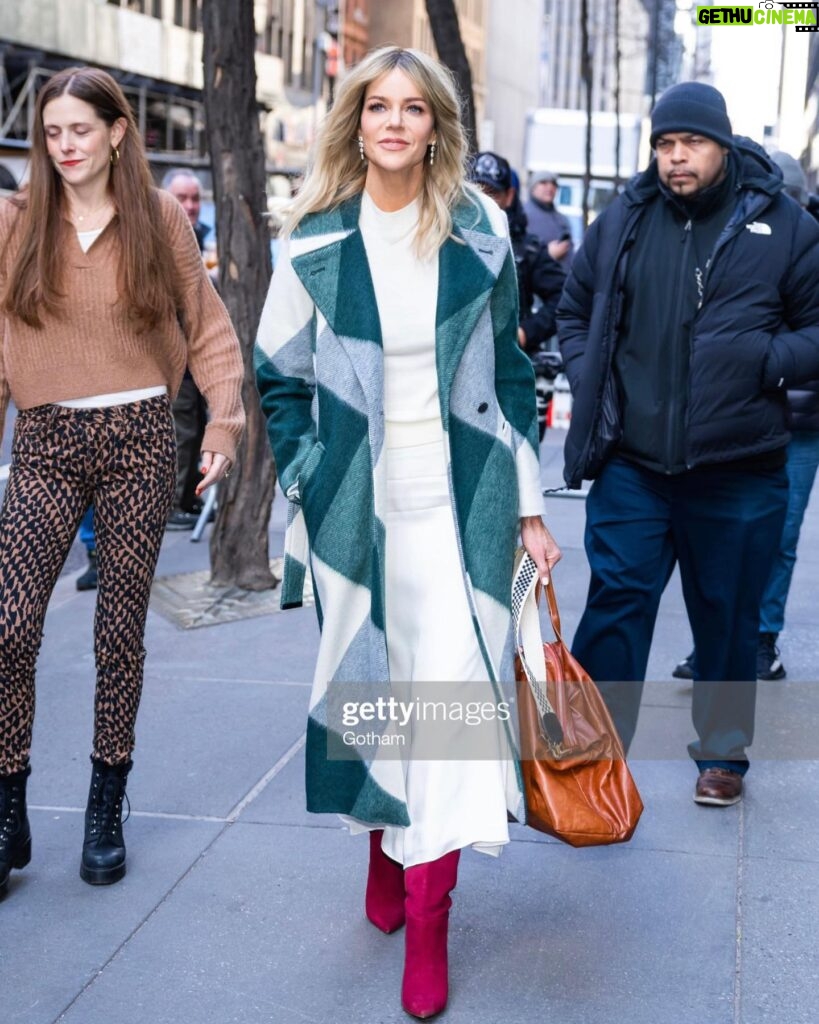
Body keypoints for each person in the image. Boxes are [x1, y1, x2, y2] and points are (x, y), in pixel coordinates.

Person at [255, 46, 560, 1019]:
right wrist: (308, 478)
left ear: (437, 125)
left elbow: (512, 376)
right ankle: (387, 844)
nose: (395, 122)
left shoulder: (483, 232)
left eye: (413, 108)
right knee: (376, 695)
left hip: (462, 509)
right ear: (356, 121)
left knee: (452, 715)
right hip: (357, 514)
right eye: (377, 106)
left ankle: (429, 914)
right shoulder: (312, 238)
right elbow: (278, 377)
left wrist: (530, 501)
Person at [0, 67, 244, 896]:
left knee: (117, 635)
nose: (65, 145)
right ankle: (7, 806)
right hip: (45, 437)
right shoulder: (18, 221)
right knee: (9, 626)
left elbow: (205, 324)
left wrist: (222, 420)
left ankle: (106, 806)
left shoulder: (159, 219)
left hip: (140, 438)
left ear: (116, 132)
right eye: (53, 132)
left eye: (80, 129)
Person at [556, 82, 819, 808]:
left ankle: (723, 755)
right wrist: (590, 376)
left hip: (737, 468)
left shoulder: (785, 225)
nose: (676, 159)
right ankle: (590, 757)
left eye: (691, 144)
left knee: (727, 616)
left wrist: (766, 360)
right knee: (614, 606)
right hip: (633, 464)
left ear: (722, 146)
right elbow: (574, 313)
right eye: (665, 146)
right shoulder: (624, 220)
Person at [672, 150, 819, 684]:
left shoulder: (801, 238)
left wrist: (767, 360)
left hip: (801, 423)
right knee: (722, 542)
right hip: (745, 418)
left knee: (777, 537)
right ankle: (715, 646)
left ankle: (761, 640)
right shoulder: (735, 234)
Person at [470, 151, 565, 355]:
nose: (482, 201)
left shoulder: (527, 249)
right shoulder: (447, 240)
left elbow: (564, 296)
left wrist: (525, 333)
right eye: (475, 191)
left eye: (491, 193)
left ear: (509, 196)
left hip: (507, 363)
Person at [161, 169, 212, 530]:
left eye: (195, 198)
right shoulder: (158, 239)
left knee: (194, 426)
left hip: (197, 355)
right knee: (180, 430)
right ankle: (172, 504)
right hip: (171, 356)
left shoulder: (201, 238)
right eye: (183, 198)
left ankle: (189, 497)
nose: (190, 206)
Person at [524, 170, 574, 271]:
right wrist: (547, 255)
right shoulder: (522, 215)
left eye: (554, 184)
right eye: (543, 182)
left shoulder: (562, 219)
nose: (550, 187)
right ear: (532, 188)